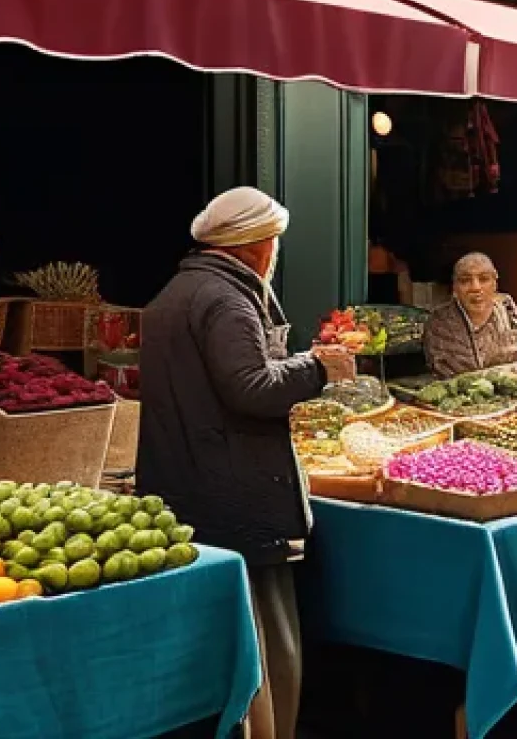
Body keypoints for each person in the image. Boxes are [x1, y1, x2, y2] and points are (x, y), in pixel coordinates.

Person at [136, 186, 355, 739]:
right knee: (266, 637)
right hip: (237, 499)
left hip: (188, 491)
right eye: (275, 242)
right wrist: (319, 368)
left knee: (221, 641)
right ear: (258, 246)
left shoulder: (175, 293)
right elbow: (251, 387)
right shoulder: (228, 300)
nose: (276, 253)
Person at [423, 252, 517, 378]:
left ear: (495, 283)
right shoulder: (440, 322)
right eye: (465, 281)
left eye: (484, 279)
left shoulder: (507, 310)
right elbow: (451, 379)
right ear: (455, 288)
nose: (475, 288)